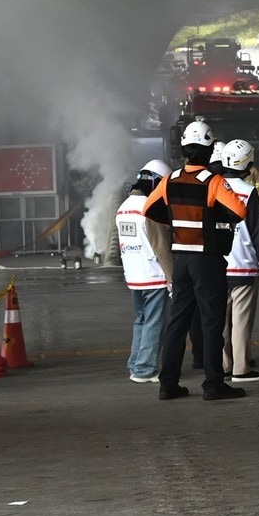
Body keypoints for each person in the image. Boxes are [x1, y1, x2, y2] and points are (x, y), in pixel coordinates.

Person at [143, 120, 249, 401]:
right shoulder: (213, 182)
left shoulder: (170, 179)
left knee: (177, 322)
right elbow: (238, 210)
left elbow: (149, 209)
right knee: (212, 321)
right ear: (209, 149)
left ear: (184, 150)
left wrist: (176, 220)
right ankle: (213, 384)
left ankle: (168, 384)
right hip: (207, 261)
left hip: (180, 261)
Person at [116, 159, 174, 383]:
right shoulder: (150, 208)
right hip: (154, 275)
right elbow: (160, 245)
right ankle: (144, 369)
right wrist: (172, 279)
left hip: (134, 275)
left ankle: (135, 364)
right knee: (155, 323)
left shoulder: (123, 207)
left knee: (141, 320)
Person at [220, 139, 259, 382]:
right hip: (243, 264)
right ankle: (242, 369)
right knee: (241, 320)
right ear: (248, 163)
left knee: (220, 318)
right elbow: (256, 230)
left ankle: (223, 364)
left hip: (217, 264)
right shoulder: (248, 191)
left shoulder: (213, 186)